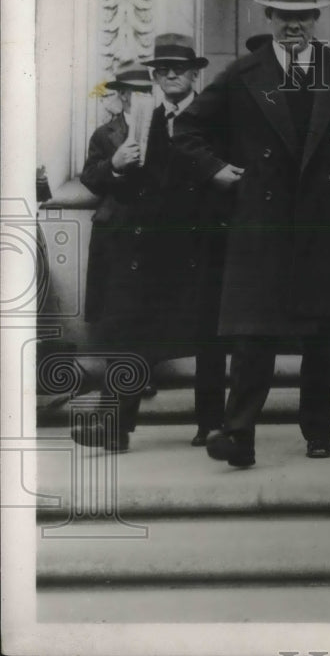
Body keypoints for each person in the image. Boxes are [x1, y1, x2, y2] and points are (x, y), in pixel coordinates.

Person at [169, 0, 330, 467]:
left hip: (326, 220)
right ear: (268, 16)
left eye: (302, 16)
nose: (292, 25)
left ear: (316, 18)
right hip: (263, 223)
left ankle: (319, 430)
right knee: (253, 333)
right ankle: (238, 436)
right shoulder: (243, 74)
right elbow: (187, 130)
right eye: (283, 16)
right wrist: (216, 170)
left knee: (321, 331)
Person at [76, 37, 227, 452]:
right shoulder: (146, 120)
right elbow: (120, 185)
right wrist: (119, 169)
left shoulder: (215, 118)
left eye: (179, 68)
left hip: (203, 242)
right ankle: (116, 427)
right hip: (151, 247)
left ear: (196, 72)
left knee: (210, 338)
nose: (171, 75)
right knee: (131, 333)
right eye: (161, 69)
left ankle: (212, 425)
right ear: (155, 77)